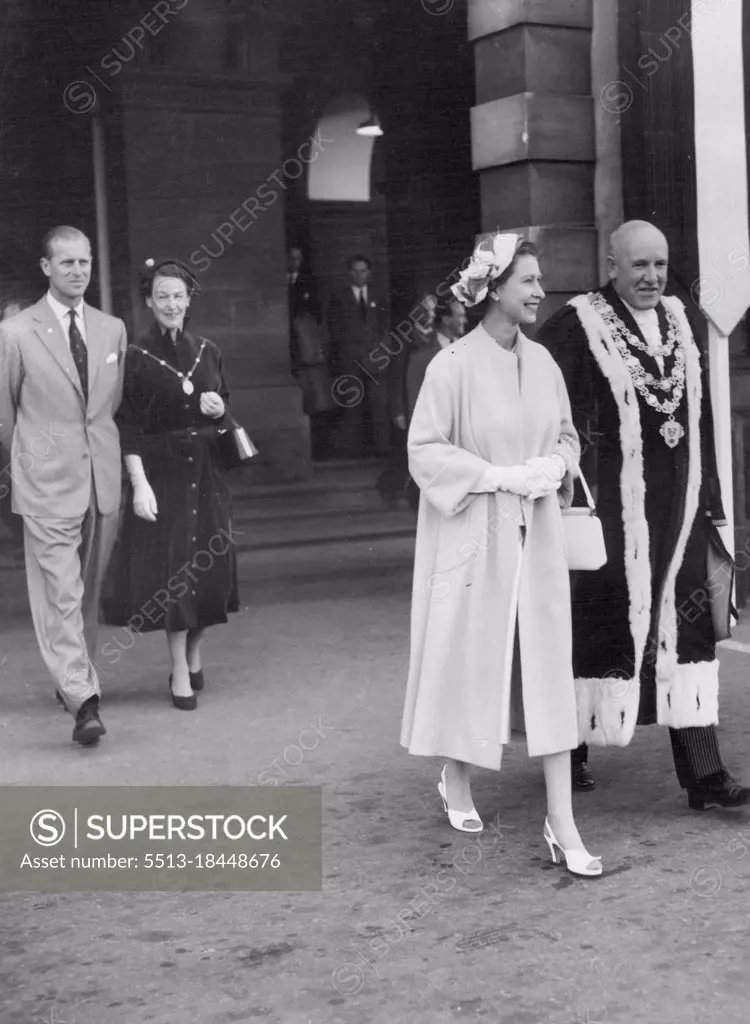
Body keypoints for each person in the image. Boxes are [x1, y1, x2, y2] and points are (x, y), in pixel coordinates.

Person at [401, 232, 602, 877]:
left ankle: (561, 820)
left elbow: (569, 434)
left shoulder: (543, 363)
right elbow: (425, 450)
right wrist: (496, 476)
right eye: (530, 281)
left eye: (540, 280)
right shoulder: (451, 365)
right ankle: (455, 778)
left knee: (545, 663)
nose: (542, 291)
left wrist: (556, 463)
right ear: (494, 290)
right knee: (473, 655)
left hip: (537, 532)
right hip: (472, 533)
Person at [537, 219, 750, 810]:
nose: (652, 276)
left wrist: (711, 504)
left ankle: (705, 776)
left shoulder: (682, 321)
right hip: (609, 518)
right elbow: (545, 405)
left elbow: (700, 423)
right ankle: (570, 751)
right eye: (639, 266)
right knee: (594, 627)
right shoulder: (577, 324)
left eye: (659, 264)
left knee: (688, 633)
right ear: (612, 266)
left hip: (678, 516)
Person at [0, 226, 127, 745]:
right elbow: (4, 414)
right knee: (62, 592)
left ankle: (72, 677)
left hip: (100, 479)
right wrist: (29, 463)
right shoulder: (16, 332)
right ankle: (84, 700)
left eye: (85, 262)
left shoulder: (111, 328)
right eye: (67, 262)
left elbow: (107, 407)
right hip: (46, 482)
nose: (78, 271)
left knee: (85, 592)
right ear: (46, 267)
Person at [101, 258, 239, 711]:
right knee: (176, 572)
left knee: (209, 572)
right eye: (162, 296)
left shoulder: (210, 351)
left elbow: (228, 419)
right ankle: (178, 666)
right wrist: (139, 484)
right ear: (148, 302)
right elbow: (130, 426)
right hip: (163, 477)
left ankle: (196, 650)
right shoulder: (136, 357)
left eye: (179, 295)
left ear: (189, 299)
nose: (171, 304)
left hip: (206, 476)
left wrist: (220, 412)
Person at [326, 254, 392, 458]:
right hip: (350, 357)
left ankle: (382, 449)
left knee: (378, 402)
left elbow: (384, 325)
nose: (359, 275)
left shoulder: (378, 295)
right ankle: (350, 450)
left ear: (369, 273)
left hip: (374, 357)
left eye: (363, 270)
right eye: (355, 271)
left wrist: (381, 350)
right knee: (351, 403)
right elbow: (333, 328)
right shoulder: (339, 297)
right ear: (348, 273)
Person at [405, 294, 467, 418]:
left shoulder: (467, 350)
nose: (465, 320)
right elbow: (415, 403)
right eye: (460, 316)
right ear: (446, 320)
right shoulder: (421, 356)